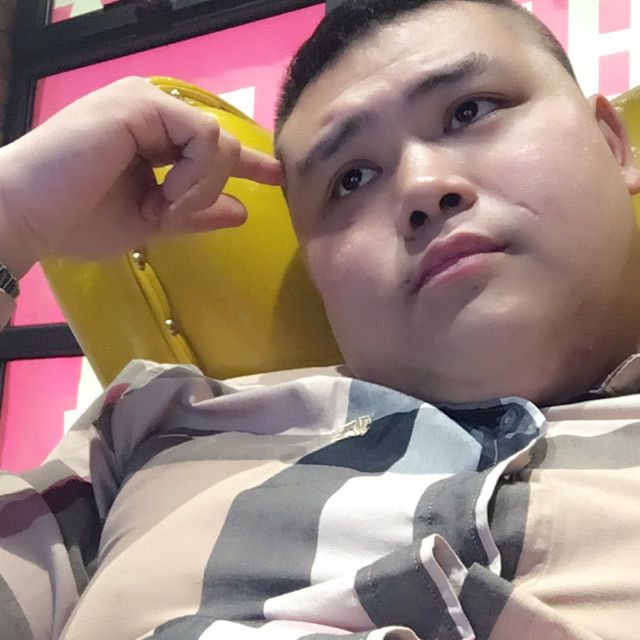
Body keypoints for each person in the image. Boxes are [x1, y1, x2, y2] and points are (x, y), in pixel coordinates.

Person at [1, 1, 640, 639]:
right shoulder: (148, 428)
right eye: (352, 178)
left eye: (471, 111)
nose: (422, 186)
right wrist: (13, 215)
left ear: (614, 144)